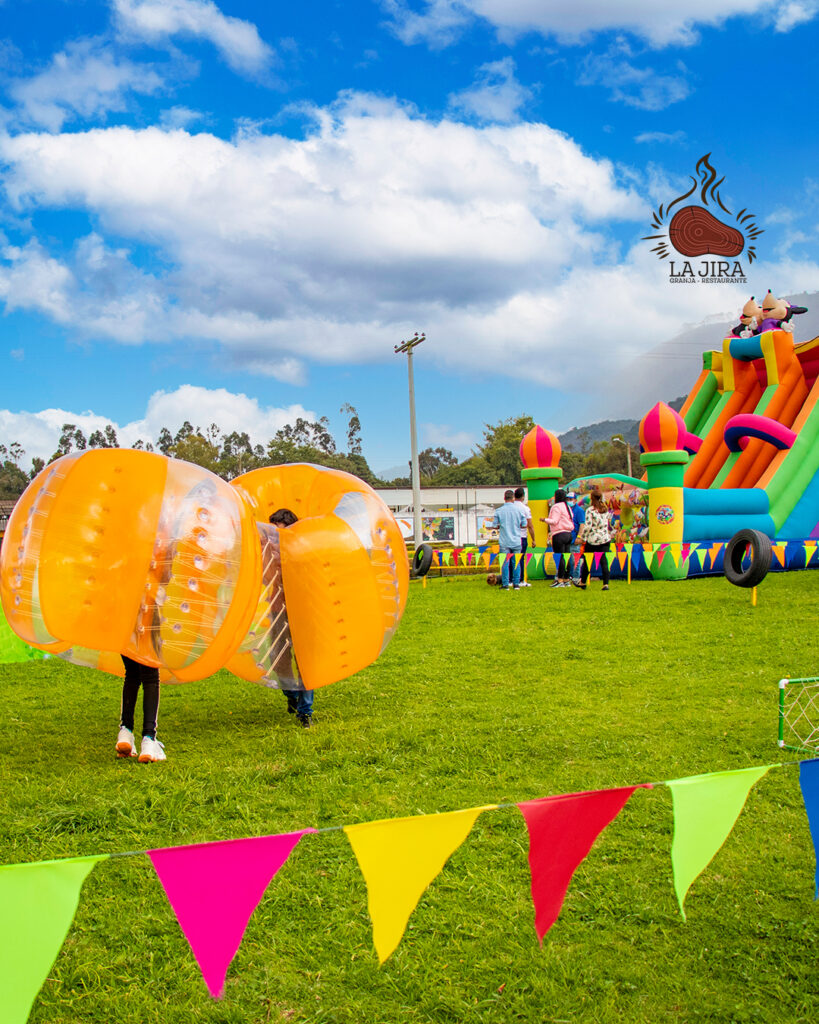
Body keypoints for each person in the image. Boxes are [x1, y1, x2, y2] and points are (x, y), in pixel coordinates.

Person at [269, 508, 314, 727]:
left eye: (280, 534)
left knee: (305, 662)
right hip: (277, 609)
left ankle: (305, 712)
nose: (275, 539)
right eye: (273, 534)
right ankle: (292, 696)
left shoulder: (303, 552)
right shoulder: (267, 553)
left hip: (300, 610)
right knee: (278, 660)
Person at [116, 655, 165, 763]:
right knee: (151, 678)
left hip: (125, 637)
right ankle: (149, 739)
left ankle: (125, 732)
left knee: (132, 673)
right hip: (148, 638)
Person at [576, 488, 613, 591]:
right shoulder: (605, 509)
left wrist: (582, 538)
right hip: (605, 539)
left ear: (591, 498)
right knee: (604, 562)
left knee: (588, 561)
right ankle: (605, 584)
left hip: (593, 540)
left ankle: (583, 582)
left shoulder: (590, 510)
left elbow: (587, 526)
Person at [491, 490, 527, 589]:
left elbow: (495, 525)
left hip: (504, 541)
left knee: (505, 563)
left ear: (504, 498)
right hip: (516, 540)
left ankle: (506, 584)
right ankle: (516, 584)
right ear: (513, 498)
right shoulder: (519, 510)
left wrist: (500, 526)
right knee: (516, 562)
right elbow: (524, 525)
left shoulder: (499, 511)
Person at [540, 489, 573, 588]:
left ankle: (559, 580)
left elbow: (554, 521)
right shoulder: (567, 506)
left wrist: (544, 519)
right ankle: (567, 579)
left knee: (560, 557)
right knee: (566, 556)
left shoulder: (556, 507)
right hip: (568, 533)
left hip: (559, 534)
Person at [513, 486, 535, 587]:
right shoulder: (525, 508)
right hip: (522, 536)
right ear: (523, 497)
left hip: (511, 536)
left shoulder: (511, 507)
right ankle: (521, 580)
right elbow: (530, 525)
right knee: (520, 558)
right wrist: (533, 539)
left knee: (510, 558)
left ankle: (510, 579)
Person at [568, 492, 586, 582]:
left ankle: (576, 578)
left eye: (570, 499)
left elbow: (582, 525)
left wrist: (579, 537)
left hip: (574, 539)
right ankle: (569, 576)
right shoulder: (566, 509)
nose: (569, 501)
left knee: (576, 560)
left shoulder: (579, 510)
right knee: (568, 560)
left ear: (575, 500)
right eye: (567, 499)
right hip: (567, 538)